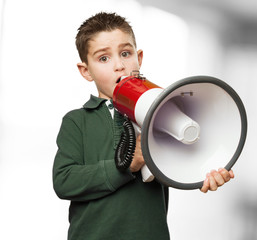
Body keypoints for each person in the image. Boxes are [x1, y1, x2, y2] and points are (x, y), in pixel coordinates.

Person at [53, 12, 234, 240]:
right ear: (85, 70)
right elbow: (64, 181)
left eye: (126, 54)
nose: (119, 65)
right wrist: (127, 165)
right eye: (104, 58)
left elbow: (182, 164)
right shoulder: (77, 121)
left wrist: (206, 170)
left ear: (139, 58)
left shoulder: (163, 112)